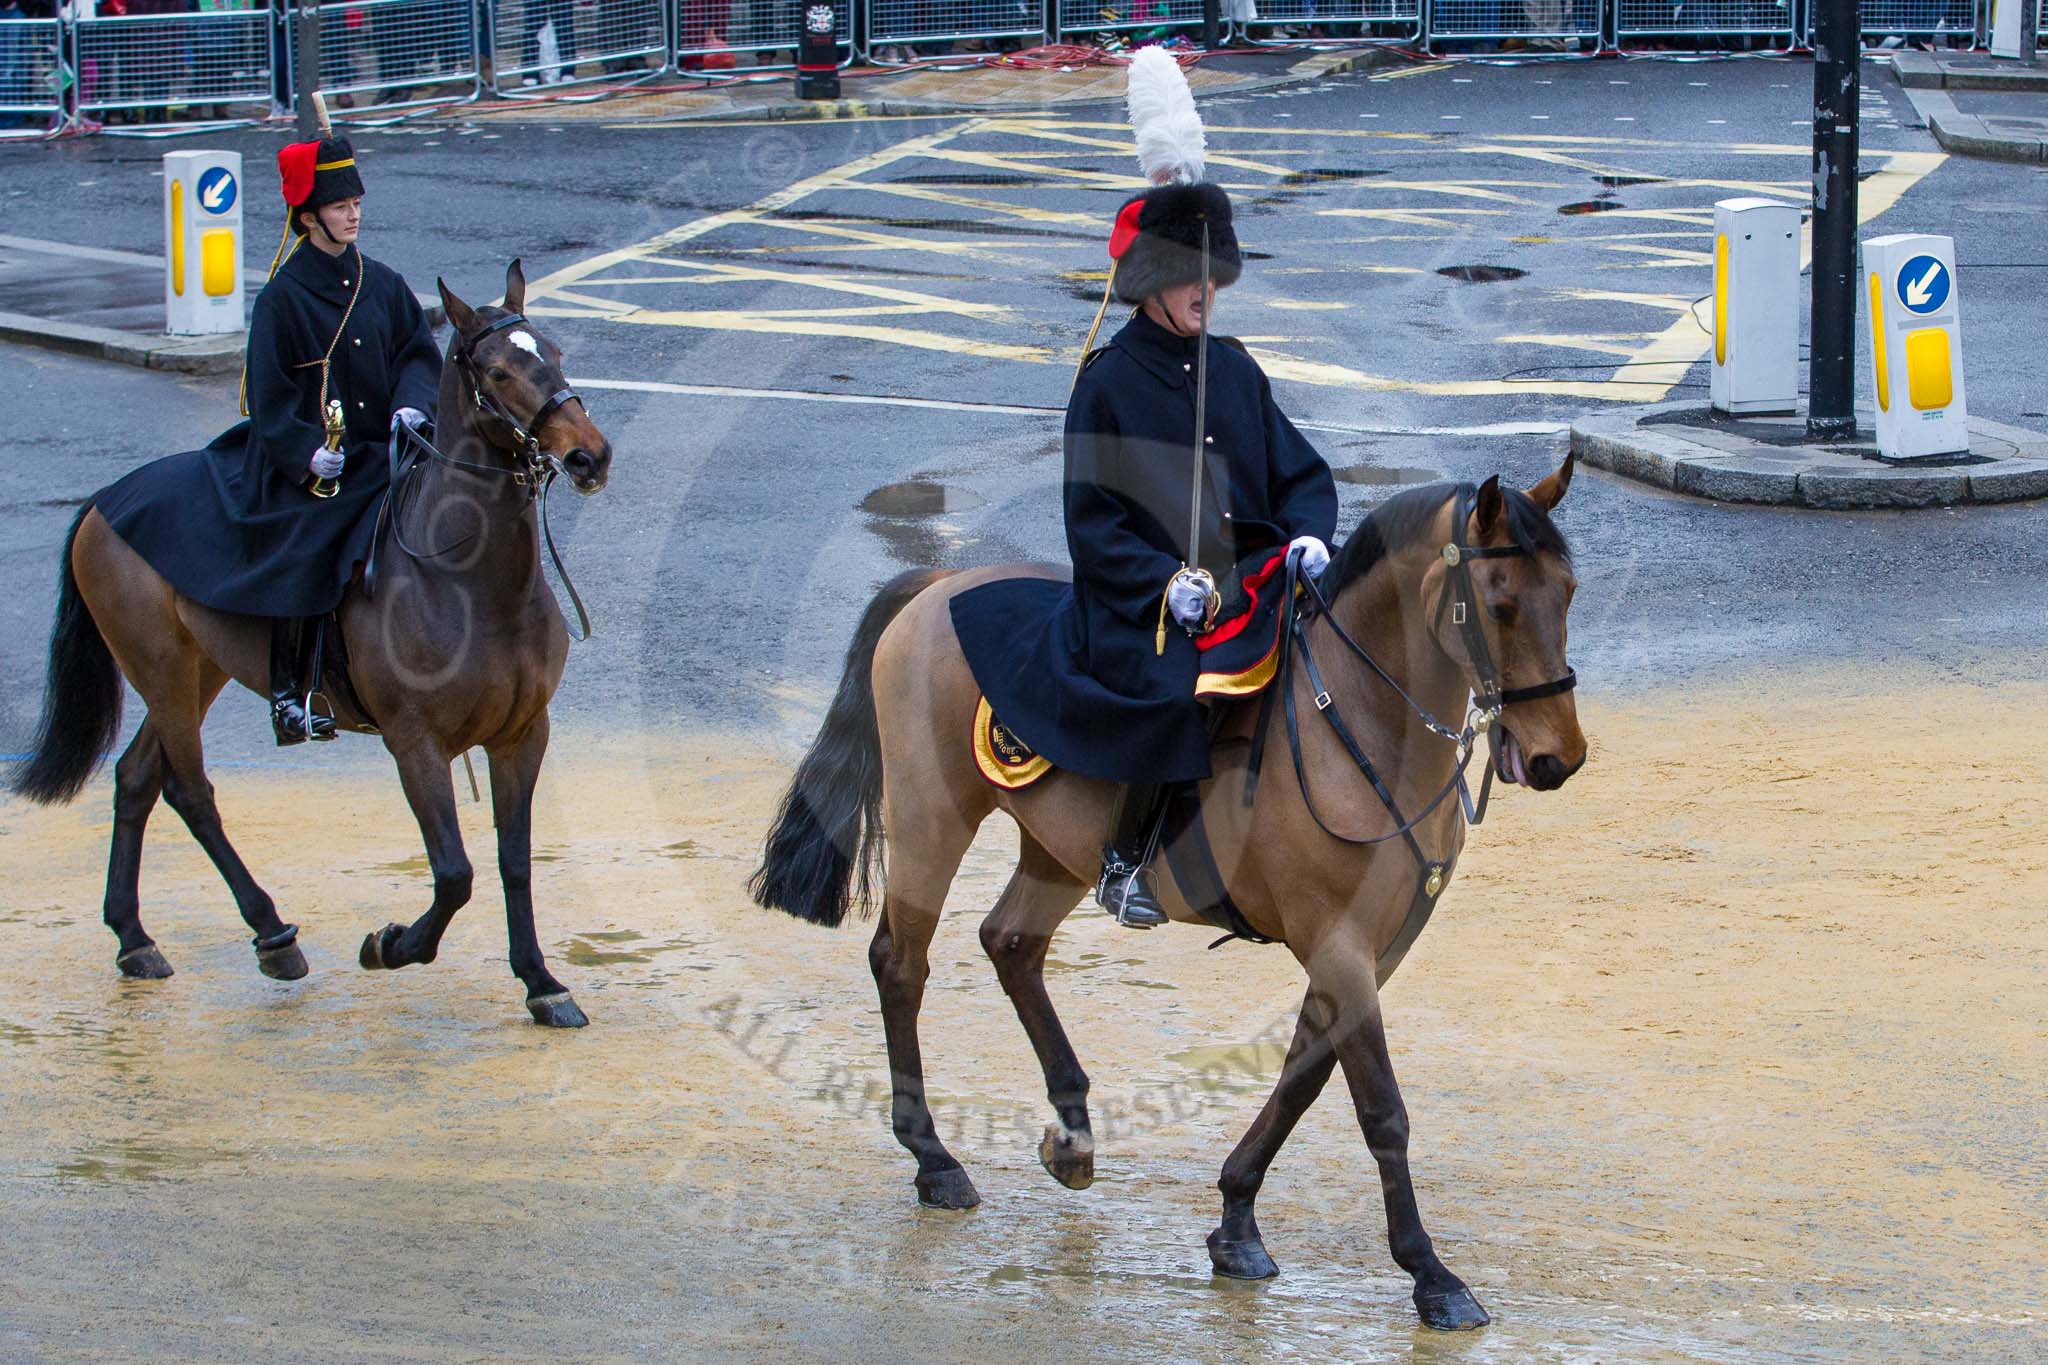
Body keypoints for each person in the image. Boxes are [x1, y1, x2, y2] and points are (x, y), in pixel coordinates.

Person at [951, 148, 1337, 929]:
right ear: (1152, 282)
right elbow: (1094, 524)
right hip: (1144, 605)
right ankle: (1130, 859)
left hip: (1248, 580)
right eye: (1193, 277)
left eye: (1215, 278)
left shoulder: (1234, 370)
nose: (1208, 294)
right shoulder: (1106, 382)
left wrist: (1307, 536)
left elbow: (1301, 471)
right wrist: (1167, 583)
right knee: (1177, 687)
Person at [91, 136, 441, 745]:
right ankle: (292, 693)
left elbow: (417, 353)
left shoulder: (383, 283)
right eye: (339, 206)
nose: (353, 214)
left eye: (356, 202)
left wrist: (412, 406)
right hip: (308, 463)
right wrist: (309, 453)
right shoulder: (281, 298)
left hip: (384, 450)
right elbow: (269, 400)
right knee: (308, 542)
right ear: (309, 218)